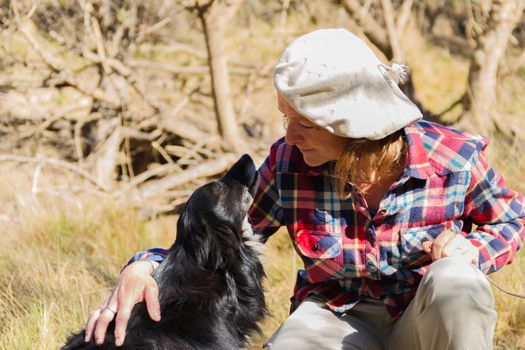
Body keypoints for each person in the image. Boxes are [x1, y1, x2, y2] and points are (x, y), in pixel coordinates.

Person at [84, 28, 525, 349]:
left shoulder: (456, 157)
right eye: (285, 119)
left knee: (456, 282)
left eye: (305, 124)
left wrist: (474, 251)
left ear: (356, 126)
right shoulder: (288, 165)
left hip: (427, 318)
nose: (289, 136)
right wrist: (143, 268)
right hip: (337, 317)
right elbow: (220, 238)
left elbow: (511, 218)